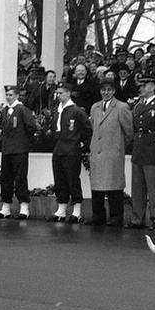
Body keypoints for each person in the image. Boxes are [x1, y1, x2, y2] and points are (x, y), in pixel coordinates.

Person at [126, 73, 155, 230]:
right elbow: (134, 127)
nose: (141, 89)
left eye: (144, 86)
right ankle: (137, 218)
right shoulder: (138, 106)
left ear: (152, 86)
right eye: (140, 86)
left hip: (154, 148)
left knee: (154, 187)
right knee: (137, 187)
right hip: (139, 147)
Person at [87, 76, 134, 226]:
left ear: (114, 91)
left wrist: (118, 146)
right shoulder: (94, 107)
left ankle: (116, 216)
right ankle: (98, 215)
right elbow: (93, 127)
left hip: (113, 152)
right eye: (103, 90)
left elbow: (129, 131)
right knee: (97, 186)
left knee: (114, 187)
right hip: (97, 152)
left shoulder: (121, 107)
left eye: (109, 90)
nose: (106, 92)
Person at [49, 82, 93, 222]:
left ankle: (77, 211)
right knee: (60, 180)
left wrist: (81, 143)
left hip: (72, 150)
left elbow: (88, 129)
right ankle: (61, 209)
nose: (58, 95)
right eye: (57, 93)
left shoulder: (76, 110)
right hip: (59, 149)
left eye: (61, 93)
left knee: (73, 179)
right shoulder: (57, 110)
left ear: (68, 93)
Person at [0, 84, 38, 219]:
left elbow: (32, 126)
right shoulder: (5, 111)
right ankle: (6, 207)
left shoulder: (22, 110)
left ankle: (24, 207)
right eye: (7, 95)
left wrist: (22, 138)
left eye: (11, 95)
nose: (8, 97)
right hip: (7, 149)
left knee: (20, 178)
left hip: (19, 149)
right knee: (6, 178)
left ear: (17, 96)